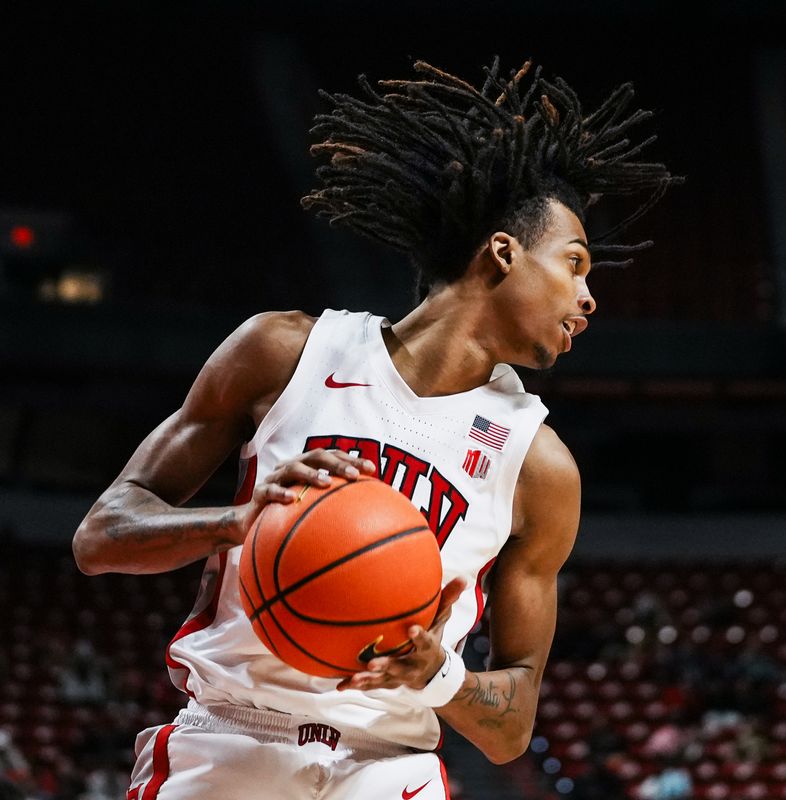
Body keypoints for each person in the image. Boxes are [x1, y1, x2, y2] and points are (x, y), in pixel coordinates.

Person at [72, 57, 679, 799]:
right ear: (502, 252)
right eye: (576, 265)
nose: (588, 300)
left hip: (390, 766)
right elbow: (101, 537)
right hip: (232, 741)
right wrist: (238, 523)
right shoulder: (286, 353)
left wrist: (443, 676)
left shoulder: (538, 465)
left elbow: (512, 726)